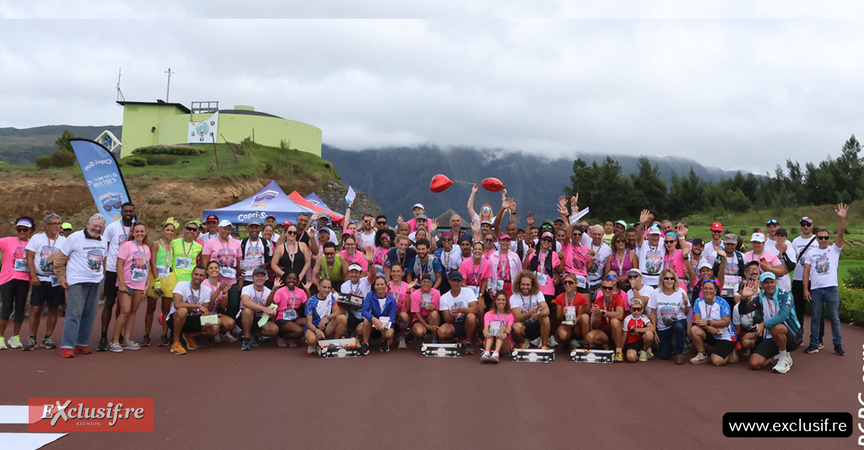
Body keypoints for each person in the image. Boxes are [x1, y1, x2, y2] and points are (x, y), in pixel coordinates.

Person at [53, 213, 108, 358]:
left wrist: (103, 280)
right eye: (95, 225)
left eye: (100, 227)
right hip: (77, 281)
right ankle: (66, 346)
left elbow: (104, 262)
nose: (97, 229)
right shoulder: (74, 238)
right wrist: (61, 277)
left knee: (90, 314)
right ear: (88, 224)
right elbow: (59, 260)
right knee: (74, 313)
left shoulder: (103, 241)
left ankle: (81, 344)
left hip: (96, 281)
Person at [802, 203, 847, 356]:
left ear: (829, 239)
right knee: (815, 318)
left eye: (826, 237)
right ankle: (814, 343)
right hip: (815, 289)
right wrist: (805, 289)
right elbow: (806, 271)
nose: (823, 240)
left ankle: (838, 344)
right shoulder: (811, 252)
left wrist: (842, 219)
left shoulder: (834, 250)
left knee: (835, 318)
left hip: (831, 288)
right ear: (817, 238)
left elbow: (840, 234)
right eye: (820, 238)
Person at [738, 273, 803, 373]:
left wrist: (763, 325)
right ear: (761, 285)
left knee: (777, 327)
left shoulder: (787, 295)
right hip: (771, 337)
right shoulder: (761, 298)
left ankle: (783, 358)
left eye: (772, 282)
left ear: (776, 282)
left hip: (792, 336)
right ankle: (777, 356)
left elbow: (783, 316)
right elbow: (743, 310)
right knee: (753, 364)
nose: (769, 285)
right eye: (766, 283)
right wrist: (743, 298)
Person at [98, 201, 135, 352]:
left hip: (128, 272)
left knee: (123, 305)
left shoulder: (136, 228)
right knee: (109, 302)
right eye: (125, 211)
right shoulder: (112, 227)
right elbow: (104, 248)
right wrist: (105, 269)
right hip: (113, 269)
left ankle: (118, 335)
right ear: (121, 211)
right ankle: (103, 336)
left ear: (133, 212)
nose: (128, 214)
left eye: (130, 211)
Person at [24, 214, 65, 350]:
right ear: (46, 226)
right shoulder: (37, 238)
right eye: (54, 224)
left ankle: (47, 338)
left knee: (54, 309)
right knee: (36, 308)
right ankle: (32, 338)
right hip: (40, 279)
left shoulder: (64, 240)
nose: (58, 226)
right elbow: (29, 257)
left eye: (59, 223)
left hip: (55, 280)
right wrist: (33, 276)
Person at [110, 223, 151, 352]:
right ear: (133, 233)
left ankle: (127, 340)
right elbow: (119, 264)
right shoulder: (127, 246)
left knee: (133, 312)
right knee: (125, 311)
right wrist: (121, 283)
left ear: (145, 233)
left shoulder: (146, 248)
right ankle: (115, 340)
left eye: (142, 231)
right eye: (137, 231)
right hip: (127, 283)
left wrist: (147, 283)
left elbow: (147, 267)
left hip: (139, 283)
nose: (140, 233)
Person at [167, 265, 219, 355]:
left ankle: (189, 336)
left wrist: (206, 319)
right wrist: (198, 306)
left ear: (205, 277)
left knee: (215, 328)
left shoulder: (206, 290)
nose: (198, 277)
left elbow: (204, 311)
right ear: (191, 275)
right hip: (176, 318)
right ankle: (175, 343)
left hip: (194, 319)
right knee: (182, 310)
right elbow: (177, 304)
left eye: (201, 275)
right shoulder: (181, 285)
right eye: (196, 274)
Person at [0, 217, 35, 350]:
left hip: (24, 279)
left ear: (30, 230)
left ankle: (15, 337)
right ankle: (1, 337)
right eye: (19, 229)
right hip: (7, 278)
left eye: (24, 229)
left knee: (20, 308)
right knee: (7, 307)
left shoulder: (33, 243)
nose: (21, 231)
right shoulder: (8, 241)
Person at [168, 221, 204, 344]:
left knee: (188, 306)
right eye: (189, 228)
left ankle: (185, 332)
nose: (191, 231)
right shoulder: (174, 243)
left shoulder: (199, 247)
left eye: (194, 230)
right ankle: (170, 333)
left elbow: (201, 264)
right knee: (172, 308)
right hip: (175, 279)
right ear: (184, 229)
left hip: (190, 281)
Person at [144, 219, 178, 348]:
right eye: (167, 230)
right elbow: (152, 262)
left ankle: (164, 334)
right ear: (163, 230)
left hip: (169, 277)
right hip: (156, 277)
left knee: (166, 309)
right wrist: (156, 279)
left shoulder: (173, 246)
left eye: (172, 231)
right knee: (150, 308)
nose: (169, 232)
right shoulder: (156, 244)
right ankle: (147, 335)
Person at [523, 231, 563, 340]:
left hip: (548, 288)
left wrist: (562, 258)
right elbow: (525, 267)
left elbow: (560, 269)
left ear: (551, 243)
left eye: (549, 241)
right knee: (534, 312)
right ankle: (534, 335)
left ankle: (547, 335)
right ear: (540, 241)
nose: (546, 242)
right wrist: (527, 254)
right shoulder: (534, 252)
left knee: (546, 313)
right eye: (544, 239)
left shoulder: (554, 254)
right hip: (535, 287)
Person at [201, 219, 243, 321]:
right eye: (224, 228)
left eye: (228, 229)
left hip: (231, 279)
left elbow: (240, 262)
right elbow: (205, 262)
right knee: (216, 304)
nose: (226, 231)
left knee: (233, 304)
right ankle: (216, 326)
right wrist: (205, 277)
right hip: (216, 279)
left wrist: (241, 277)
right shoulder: (210, 242)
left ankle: (228, 327)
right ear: (219, 229)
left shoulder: (236, 243)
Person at [648, 268, 691, 364]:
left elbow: (686, 312)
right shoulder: (655, 293)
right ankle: (669, 345)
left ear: (675, 280)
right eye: (666, 278)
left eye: (672, 278)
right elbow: (653, 312)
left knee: (678, 327)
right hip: (662, 325)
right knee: (665, 356)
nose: (669, 281)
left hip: (678, 321)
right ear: (662, 280)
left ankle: (679, 352)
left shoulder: (681, 292)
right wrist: (654, 331)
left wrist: (685, 302)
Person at [689, 280, 736, 366]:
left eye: (711, 288)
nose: (708, 291)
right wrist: (710, 328)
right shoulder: (698, 302)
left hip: (725, 336)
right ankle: (702, 354)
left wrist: (708, 322)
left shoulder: (722, 303)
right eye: (705, 288)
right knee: (694, 329)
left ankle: (730, 351)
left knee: (716, 361)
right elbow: (697, 321)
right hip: (711, 333)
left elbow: (726, 322)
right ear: (702, 290)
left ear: (715, 291)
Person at [584, 277, 626, 361]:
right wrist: (598, 317)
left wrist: (603, 313)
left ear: (613, 288)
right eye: (605, 288)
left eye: (610, 288)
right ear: (601, 288)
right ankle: (607, 345)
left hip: (617, 330)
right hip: (605, 331)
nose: (607, 290)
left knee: (614, 321)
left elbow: (620, 315)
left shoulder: (618, 298)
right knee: (589, 337)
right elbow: (596, 326)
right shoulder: (598, 301)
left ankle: (618, 350)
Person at [438, 271, 479, 354]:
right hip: (454, 323)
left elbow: (475, 309)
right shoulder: (444, 298)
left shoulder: (468, 291)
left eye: (458, 281)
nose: (456, 283)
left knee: (471, 317)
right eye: (454, 281)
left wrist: (460, 310)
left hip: (467, 322)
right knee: (441, 332)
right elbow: (447, 320)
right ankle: (458, 338)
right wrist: (454, 313)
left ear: (461, 282)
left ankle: (468, 342)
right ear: (449, 281)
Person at [303, 278, 347, 352]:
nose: (326, 290)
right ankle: (312, 343)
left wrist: (326, 318)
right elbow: (309, 323)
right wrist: (317, 331)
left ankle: (334, 342)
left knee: (343, 318)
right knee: (312, 340)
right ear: (319, 287)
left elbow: (337, 312)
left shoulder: (331, 296)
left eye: (329, 287)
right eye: (324, 287)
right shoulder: (311, 301)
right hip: (313, 327)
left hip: (326, 325)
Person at [509, 271, 550, 350]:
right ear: (519, 284)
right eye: (523, 284)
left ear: (532, 285)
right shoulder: (513, 297)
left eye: (528, 285)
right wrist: (530, 313)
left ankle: (544, 345)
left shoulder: (538, 293)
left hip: (536, 324)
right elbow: (518, 317)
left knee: (546, 319)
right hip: (523, 326)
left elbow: (547, 310)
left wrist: (539, 314)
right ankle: (523, 342)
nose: (525, 287)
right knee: (516, 326)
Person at [791, 216, 817, 337]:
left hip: (815, 279)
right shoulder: (796, 241)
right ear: (800, 226)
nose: (805, 227)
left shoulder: (817, 240)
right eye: (803, 224)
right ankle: (798, 335)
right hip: (798, 278)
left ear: (812, 226)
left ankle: (817, 338)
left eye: (808, 224)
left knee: (816, 311)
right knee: (798, 310)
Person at [237, 267, 276, 351]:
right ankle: (247, 339)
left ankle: (255, 334)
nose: (260, 278)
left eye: (262, 276)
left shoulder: (268, 291)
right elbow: (245, 302)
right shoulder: (246, 288)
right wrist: (265, 309)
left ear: (266, 278)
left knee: (274, 329)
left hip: (260, 318)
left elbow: (271, 307)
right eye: (257, 276)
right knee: (248, 310)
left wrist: (271, 311)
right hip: (244, 317)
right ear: (252, 278)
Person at [201, 260, 237, 343]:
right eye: (211, 268)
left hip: (215, 313)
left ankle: (219, 334)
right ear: (207, 271)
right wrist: (219, 289)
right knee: (218, 322)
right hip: (204, 313)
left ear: (219, 270)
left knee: (231, 323)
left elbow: (223, 306)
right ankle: (207, 336)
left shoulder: (220, 284)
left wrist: (224, 293)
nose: (214, 270)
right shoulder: (204, 283)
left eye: (216, 268)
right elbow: (209, 302)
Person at [360, 276, 397, 355]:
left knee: (389, 333)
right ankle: (365, 344)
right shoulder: (370, 295)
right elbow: (364, 311)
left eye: (382, 284)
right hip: (373, 322)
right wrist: (373, 318)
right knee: (366, 320)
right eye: (377, 284)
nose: (380, 287)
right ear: (374, 286)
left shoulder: (392, 300)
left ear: (386, 286)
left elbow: (392, 319)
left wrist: (382, 325)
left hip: (385, 324)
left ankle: (385, 342)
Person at [271, 272, 308, 348]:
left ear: (297, 281)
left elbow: (308, 305)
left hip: (294, 317)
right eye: (289, 278)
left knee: (309, 323)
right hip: (281, 318)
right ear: (285, 280)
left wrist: (307, 290)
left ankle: (289, 337)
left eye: (294, 279)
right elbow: (270, 303)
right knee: (299, 331)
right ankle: (281, 336)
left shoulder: (301, 291)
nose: (292, 280)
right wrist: (274, 288)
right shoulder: (280, 291)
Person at [554, 273, 589, 349]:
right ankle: (567, 342)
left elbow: (580, 314)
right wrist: (562, 313)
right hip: (565, 324)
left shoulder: (581, 297)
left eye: (570, 282)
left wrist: (574, 321)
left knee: (585, 317)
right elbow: (558, 318)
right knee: (563, 335)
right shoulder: (559, 297)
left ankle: (586, 343)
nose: (567, 284)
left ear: (575, 284)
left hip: (576, 325)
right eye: (565, 282)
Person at [341, 263, 375, 337]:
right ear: (349, 273)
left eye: (356, 272)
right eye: (352, 272)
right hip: (353, 314)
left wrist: (370, 262)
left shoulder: (365, 281)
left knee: (359, 331)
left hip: (365, 314)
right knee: (340, 309)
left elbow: (373, 274)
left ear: (360, 274)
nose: (354, 274)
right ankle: (348, 331)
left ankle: (361, 337)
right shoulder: (344, 286)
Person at [481, 292, 514, 363]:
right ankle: (487, 352)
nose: (501, 302)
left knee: (501, 329)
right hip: (491, 341)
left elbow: (509, 328)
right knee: (492, 328)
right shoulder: (488, 314)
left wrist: (505, 334)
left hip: (504, 342)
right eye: (498, 300)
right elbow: (485, 328)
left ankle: (496, 353)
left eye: (503, 300)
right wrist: (485, 333)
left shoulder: (510, 314)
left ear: (506, 301)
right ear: (495, 301)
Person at [487, 234, 522, 301]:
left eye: (507, 241)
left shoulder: (515, 256)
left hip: (510, 285)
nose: (505, 243)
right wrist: (489, 287)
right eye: (503, 241)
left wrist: (518, 287)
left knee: (510, 305)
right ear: (499, 242)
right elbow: (489, 273)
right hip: (497, 285)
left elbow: (519, 272)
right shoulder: (493, 256)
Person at [410, 273, 441, 344]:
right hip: (419, 318)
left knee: (435, 314)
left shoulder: (436, 293)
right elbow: (416, 313)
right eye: (424, 281)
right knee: (419, 332)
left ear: (431, 284)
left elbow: (438, 310)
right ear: (420, 283)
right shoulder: (415, 294)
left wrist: (433, 309)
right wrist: (427, 326)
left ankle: (434, 338)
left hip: (431, 318)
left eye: (428, 282)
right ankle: (420, 337)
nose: (425, 284)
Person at [239, 221, 272, 288]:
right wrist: (241, 278)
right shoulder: (243, 242)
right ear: (248, 229)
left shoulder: (265, 242)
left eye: (256, 228)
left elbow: (271, 257)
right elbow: (240, 259)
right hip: (247, 277)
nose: (254, 230)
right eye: (252, 228)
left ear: (260, 229)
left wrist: (267, 264)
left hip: (261, 277)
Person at [388, 263, 413, 348]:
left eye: (398, 271)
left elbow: (408, 307)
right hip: (389, 313)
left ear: (402, 273)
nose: (396, 274)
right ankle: (386, 336)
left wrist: (409, 291)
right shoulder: (386, 285)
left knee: (405, 316)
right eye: (393, 271)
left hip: (401, 314)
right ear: (390, 273)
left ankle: (402, 337)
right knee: (388, 342)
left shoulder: (407, 286)